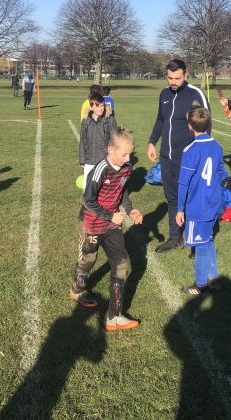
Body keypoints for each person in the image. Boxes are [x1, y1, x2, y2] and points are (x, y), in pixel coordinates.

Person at [69, 131, 144, 331]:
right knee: (88, 261)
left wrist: (131, 210)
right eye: (124, 155)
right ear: (111, 150)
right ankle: (77, 290)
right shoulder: (100, 169)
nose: (128, 159)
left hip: (112, 226)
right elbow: (88, 200)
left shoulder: (126, 169)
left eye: (130, 155)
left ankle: (114, 316)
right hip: (91, 224)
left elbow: (123, 192)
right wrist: (110, 215)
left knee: (121, 264)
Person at [147, 59, 210, 253]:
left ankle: (196, 241)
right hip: (167, 157)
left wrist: (200, 155)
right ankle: (175, 237)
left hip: (188, 158)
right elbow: (160, 120)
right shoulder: (164, 94)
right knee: (172, 198)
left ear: (185, 75)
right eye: (170, 78)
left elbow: (206, 125)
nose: (173, 82)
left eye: (177, 78)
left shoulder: (194, 94)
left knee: (191, 198)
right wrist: (152, 142)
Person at [175, 106, 228, 295]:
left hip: (198, 206)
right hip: (214, 203)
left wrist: (180, 209)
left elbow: (183, 183)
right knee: (208, 238)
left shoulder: (190, 150)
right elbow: (222, 174)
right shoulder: (218, 146)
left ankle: (200, 284)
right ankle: (213, 277)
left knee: (200, 244)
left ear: (190, 126)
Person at [79, 92, 118, 185]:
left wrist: (113, 159)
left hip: (105, 161)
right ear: (91, 107)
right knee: (88, 191)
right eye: (98, 106)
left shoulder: (110, 120)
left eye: (102, 105)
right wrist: (82, 159)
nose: (101, 109)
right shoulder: (85, 121)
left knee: (104, 191)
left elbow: (115, 141)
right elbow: (83, 141)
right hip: (89, 161)